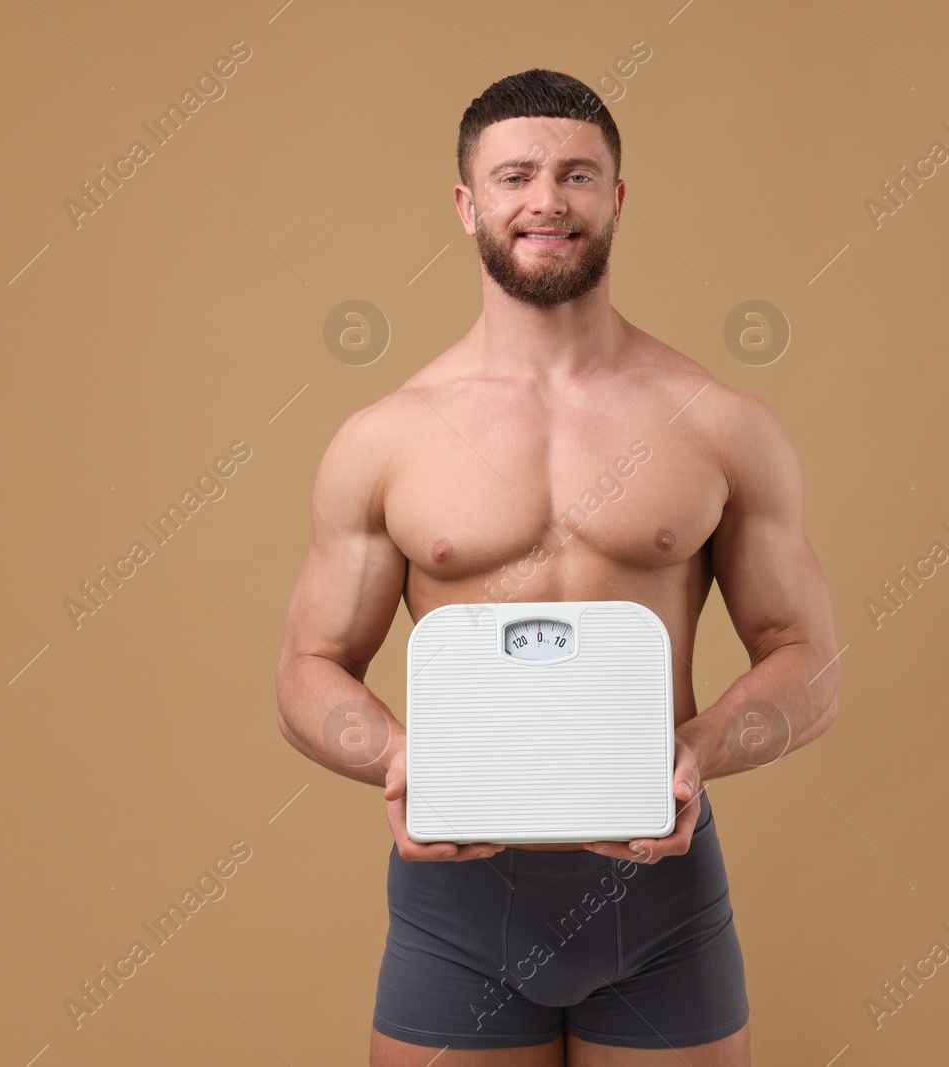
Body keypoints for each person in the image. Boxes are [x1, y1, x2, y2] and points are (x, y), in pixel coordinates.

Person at [276, 68, 840, 1067]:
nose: (546, 201)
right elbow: (306, 671)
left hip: (658, 898)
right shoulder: (386, 439)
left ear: (616, 198)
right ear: (466, 204)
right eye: (515, 175)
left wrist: (701, 748)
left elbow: (808, 662)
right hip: (455, 908)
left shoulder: (716, 424)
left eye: (577, 175)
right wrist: (393, 756)